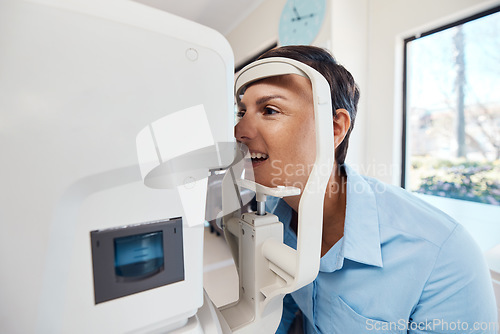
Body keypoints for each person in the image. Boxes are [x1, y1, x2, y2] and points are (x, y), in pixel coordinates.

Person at [234, 45, 498, 333]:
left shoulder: (443, 255)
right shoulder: (275, 218)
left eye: (269, 110)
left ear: (334, 128)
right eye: (242, 111)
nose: (239, 131)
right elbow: (283, 307)